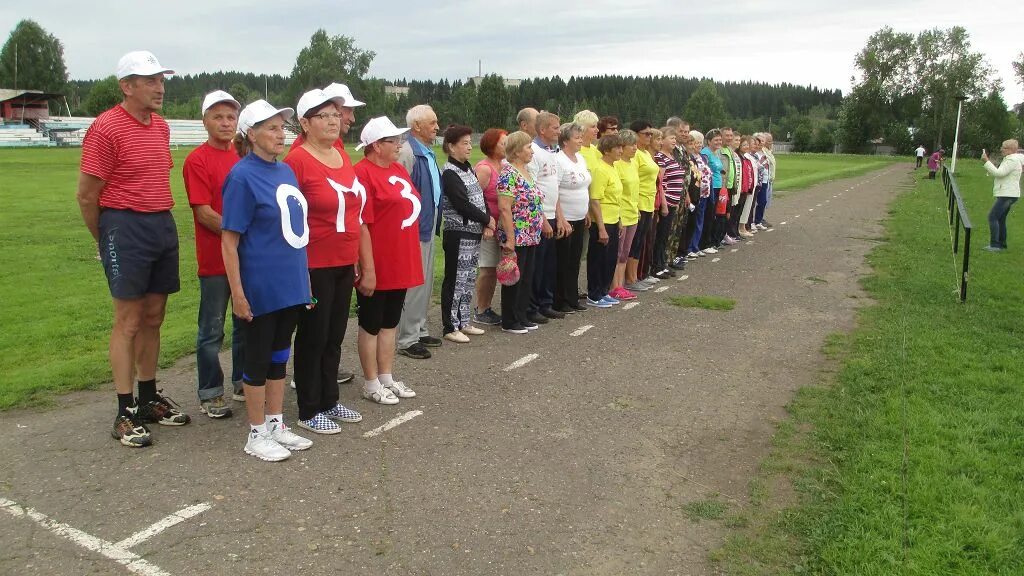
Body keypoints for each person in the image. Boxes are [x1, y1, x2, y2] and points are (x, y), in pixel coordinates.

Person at [78, 50, 190, 448]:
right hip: (124, 225)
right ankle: (124, 410)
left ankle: (147, 398)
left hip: (161, 221)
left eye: (161, 79)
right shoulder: (106, 128)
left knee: (154, 315)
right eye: (149, 81)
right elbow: (88, 195)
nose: (160, 87)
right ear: (127, 86)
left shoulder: (160, 127)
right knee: (128, 319)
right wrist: (106, 239)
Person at [221, 99, 313, 461]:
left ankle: (275, 422)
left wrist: (302, 281)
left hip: (289, 283)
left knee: (279, 355)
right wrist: (238, 293)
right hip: (260, 285)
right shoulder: (241, 177)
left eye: (282, 127)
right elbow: (229, 242)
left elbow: (295, 233)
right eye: (272, 128)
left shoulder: (285, 171)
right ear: (252, 134)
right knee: (257, 358)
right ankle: (256, 432)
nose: (281, 134)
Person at [283, 89, 366, 435]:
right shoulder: (297, 161)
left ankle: (330, 398)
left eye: (336, 114)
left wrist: (358, 257)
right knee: (313, 335)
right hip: (313, 262)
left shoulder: (340, 156)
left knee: (335, 333)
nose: (334, 121)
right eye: (324, 116)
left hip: (344, 259)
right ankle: (309, 406)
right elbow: (289, 219)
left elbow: (353, 211)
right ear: (304, 123)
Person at [354, 117, 425, 404]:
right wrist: (368, 268)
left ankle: (386, 376)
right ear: (375, 145)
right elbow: (363, 225)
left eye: (399, 140)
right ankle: (370, 382)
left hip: (401, 256)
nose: (399, 145)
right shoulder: (362, 173)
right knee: (371, 322)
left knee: (390, 321)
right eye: (392, 141)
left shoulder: (397, 168)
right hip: (379, 258)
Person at [183, 90, 243, 419]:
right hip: (215, 259)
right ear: (205, 120)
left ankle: (243, 381)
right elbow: (203, 211)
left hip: (247, 257)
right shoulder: (198, 160)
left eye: (230, 117)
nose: (225, 123)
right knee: (212, 328)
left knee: (246, 321)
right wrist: (238, 232)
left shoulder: (242, 155)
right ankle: (210, 391)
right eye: (218, 117)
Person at [440, 124, 494, 342]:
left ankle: (463, 321)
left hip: (473, 233)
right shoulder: (450, 173)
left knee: (469, 277)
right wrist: (487, 219)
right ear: (451, 147)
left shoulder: (468, 168)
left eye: (469, 142)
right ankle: (450, 326)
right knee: (455, 279)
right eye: (464, 143)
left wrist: (487, 219)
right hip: (458, 233)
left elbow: (480, 198)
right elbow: (462, 204)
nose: (469, 147)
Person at [397, 104, 443, 359]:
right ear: (416, 126)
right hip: (415, 225)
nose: (437, 127)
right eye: (432, 122)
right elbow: (400, 192)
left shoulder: (428, 152)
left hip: (428, 219)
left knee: (425, 280)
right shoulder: (407, 152)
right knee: (414, 282)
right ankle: (408, 338)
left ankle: (420, 328)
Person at [496, 131, 544, 333]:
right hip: (517, 233)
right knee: (514, 277)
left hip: (531, 233)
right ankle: (510, 319)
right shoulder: (508, 174)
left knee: (526, 276)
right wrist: (510, 239)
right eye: (528, 147)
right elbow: (505, 208)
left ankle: (521, 314)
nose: (532, 151)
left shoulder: (526, 171)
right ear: (516, 151)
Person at [527, 111, 567, 323]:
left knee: (549, 264)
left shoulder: (552, 152)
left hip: (551, 215)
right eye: (555, 127)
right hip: (538, 217)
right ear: (542, 130)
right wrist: (542, 219)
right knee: (537, 265)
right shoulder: (533, 152)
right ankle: (532, 306)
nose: (559, 131)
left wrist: (559, 217)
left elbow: (555, 187)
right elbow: (532, 188)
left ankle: (546, 302)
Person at [553, 122, 592, 313]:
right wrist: (561, 218)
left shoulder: (581, 159)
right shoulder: (559, 160)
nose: (580, 140)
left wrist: (585, 212)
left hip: (579, 216)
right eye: (577, 137)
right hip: (565, 218)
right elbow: (555, 191)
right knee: (563, 260)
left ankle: (572, 297)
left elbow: (584, 186)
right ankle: (559, 300)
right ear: (565, 140)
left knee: (575, 259)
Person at [472, 128, 508, 326]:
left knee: (495, 268)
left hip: (501, 226)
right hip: (487, 227)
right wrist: (486, 223)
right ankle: (481, 308)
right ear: (492, 145)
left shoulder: (504, 166)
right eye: (503, 143)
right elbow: (476, 198)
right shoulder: (485, 169)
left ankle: (486, 306)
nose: (507, 146)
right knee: (487, 269)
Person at [586, 134, 624, 308]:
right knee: (598, 259)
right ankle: (594, 293)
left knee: (610, 258)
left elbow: (616, 196)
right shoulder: (600, 169)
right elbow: (595, 199)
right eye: (617, 148)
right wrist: (601, 227)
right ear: (607, 150)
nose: (620, 151)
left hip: (613, 218)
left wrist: (620, 220)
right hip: (602, 220)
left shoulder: (613, 167)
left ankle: (603, 290)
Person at [625, 121, 660, 293]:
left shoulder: (646, 153)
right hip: (638, 201)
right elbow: (634, 179)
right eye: (646, 134)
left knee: (640, 241)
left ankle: (636, 276)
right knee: (634, 241)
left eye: (650, 134)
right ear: (636, 134)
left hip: (649, 201)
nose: (650, 137)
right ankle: (629, 278)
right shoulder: (636, 154)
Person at [610, 129, 640, 301]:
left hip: (633, 213)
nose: (635, 148)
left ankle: (620, 285)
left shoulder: (633, 163)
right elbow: (617, 192)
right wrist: (620, 217)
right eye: (631, 145)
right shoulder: (617, 164)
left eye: (636, 144)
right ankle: (614, 286)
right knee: (618, 251)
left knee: (625, 252)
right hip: (621, 214)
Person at [652, 126, 684, 279]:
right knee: (660, 235)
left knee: (666, 236)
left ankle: (662, 263)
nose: (674, 141)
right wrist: (664, 204)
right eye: (671, 138)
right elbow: (661, 183)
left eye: (675, 138)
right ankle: (656, 266)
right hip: (666, 203)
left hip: (673, 201)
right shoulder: (660, 158)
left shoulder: (671, 156)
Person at [981, 140, 1024, 251]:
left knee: (993, 216)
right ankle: (1002, 244)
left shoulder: (1012, 160)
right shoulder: (1013, 159)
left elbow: (999, 173)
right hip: (1009, 193)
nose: (1001, 149)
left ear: (1010, 150)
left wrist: (986, 161)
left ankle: (995, 245)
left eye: (1003, 147)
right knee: (1000, 218)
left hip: (1007, 194)